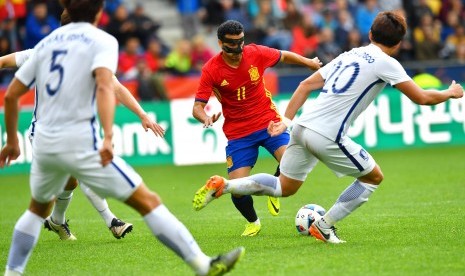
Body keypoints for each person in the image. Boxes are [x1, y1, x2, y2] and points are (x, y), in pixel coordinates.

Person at [0, 1, 244, 275]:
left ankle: (13, 270)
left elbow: (10, 95)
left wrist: (11, 141)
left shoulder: (44, 46)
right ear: (98, 13)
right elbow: (107, 86)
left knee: (36, 209)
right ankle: (202, 265)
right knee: (147, 201)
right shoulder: (100, 41)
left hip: (43, 141)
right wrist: (107, 135)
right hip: (79, 141)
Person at [192, 11, 464, 243]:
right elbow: (422, 97)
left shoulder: (351, 53)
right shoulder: (387, 62)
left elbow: (305, 84)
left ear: (370, 34)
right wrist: (450, 92)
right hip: (327, 134)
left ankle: (226, 185)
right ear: (400, 43)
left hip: (301, 126)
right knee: (373, 178)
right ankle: (323, 225)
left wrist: (286, 121)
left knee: (283, 186)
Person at [0, 8, 150, 241]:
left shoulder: (85, 56)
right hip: (45, 133)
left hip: (76, 131)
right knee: (55, 192)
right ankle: (111, 220)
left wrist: (142, 114)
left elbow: (116, 87)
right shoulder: (43, 52)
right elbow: (5, 64)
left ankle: (58, 222)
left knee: (71, 180)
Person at [192, 20, 321, 237]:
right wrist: (205, 117)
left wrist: (308, 62)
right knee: (236, 188)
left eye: (240, 42)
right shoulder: (211, 69)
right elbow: (197, 106)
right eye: (231, 44)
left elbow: (284, 55)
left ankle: (274, 187)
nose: (237, 49)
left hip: (268, 123)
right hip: (238, 135)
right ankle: (253, 222)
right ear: (220, 43)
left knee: (292, 160)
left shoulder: (256, 53)